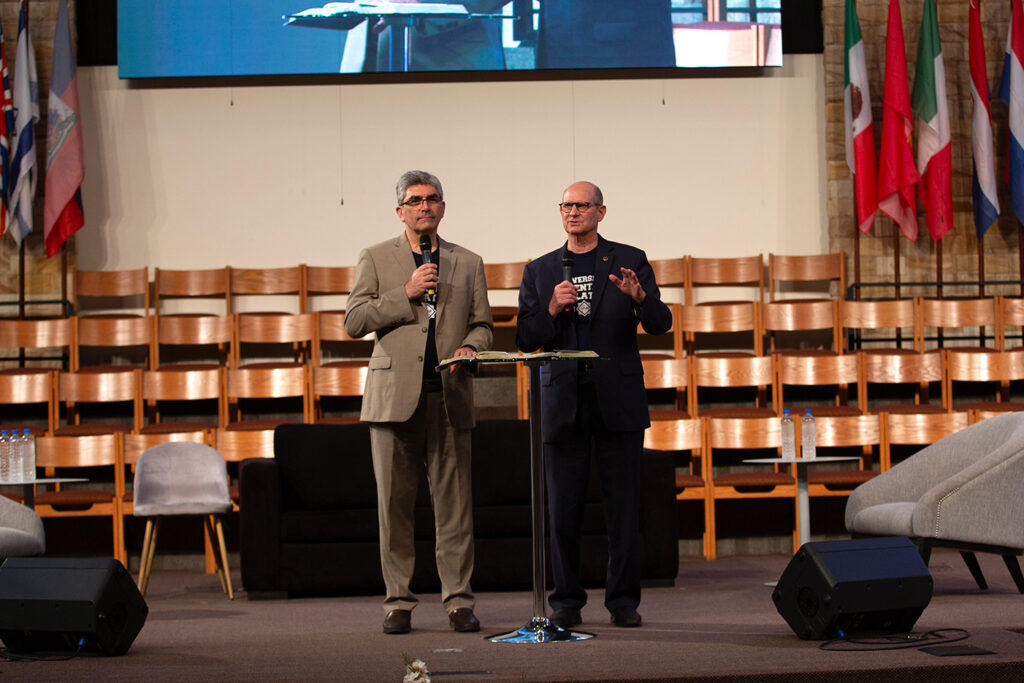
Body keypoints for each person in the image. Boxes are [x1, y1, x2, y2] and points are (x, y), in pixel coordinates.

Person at [515, 181, 672, 629]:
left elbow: (661, 323)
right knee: (561, 509)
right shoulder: (541, 270)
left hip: (617, 399)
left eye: (582, 205)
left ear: (601, 212)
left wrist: (640, 299)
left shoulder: (629, 260)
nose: (573, 212)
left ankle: (623, 600)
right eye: (566, 205)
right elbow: (525, 339)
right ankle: (565, 599)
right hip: (562, 400)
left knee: (622, 508)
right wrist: (549, 309)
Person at [345, 170, 494, 634]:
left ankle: (458, 601)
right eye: (415, 200)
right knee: (394, 508)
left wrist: (473, 347)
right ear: (400, 211)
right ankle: (399, 603)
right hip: (393, 401)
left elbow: (484, 325)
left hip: (448, 397)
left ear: (443, 208)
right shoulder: (375, 257)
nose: (424, 206)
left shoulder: (467, 262)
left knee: (454, 508)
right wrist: (404, 293)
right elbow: (354, 320)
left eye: (432, 199)